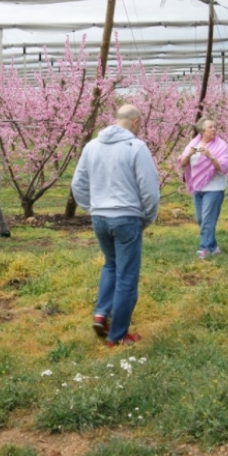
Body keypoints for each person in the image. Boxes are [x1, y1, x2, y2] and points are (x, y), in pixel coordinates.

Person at [71, 104, 160, 347]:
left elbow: (78, 183)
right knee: (127, 277)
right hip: (127, 217)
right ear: (136, 122)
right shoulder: (136, 147)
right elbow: (149, 187)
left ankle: (102, 313)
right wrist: (148, 217)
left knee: (111, 264)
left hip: (100, 217)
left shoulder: (92, 146)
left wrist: (93, 207)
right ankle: (117, 335)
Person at [179, 117, 228, 259]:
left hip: (214, 188)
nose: (214, 129)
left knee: (208, 220)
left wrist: (211, 156)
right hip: (198, 188)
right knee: (201, 220)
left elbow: (224, 167)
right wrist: (189, 154)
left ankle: (204, 249)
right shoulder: (193, 144)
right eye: (210, 127)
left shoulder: (221, 146)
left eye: (215, 127)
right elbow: (183, 163)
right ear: (202, 130)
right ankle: (213, 247)